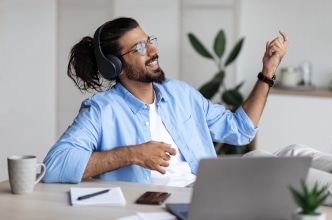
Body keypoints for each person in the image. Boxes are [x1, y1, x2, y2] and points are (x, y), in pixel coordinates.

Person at [42, 17, 288, 186]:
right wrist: (132, 154)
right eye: (139, 47)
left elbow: (240, 130)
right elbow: (53, 166)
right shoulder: (102, 110)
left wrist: (267, 72)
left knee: (288, 153)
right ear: (115, 66)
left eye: (149, 41)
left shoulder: (179, 93)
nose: (153, 51)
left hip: (207, 192)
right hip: (161, 204)